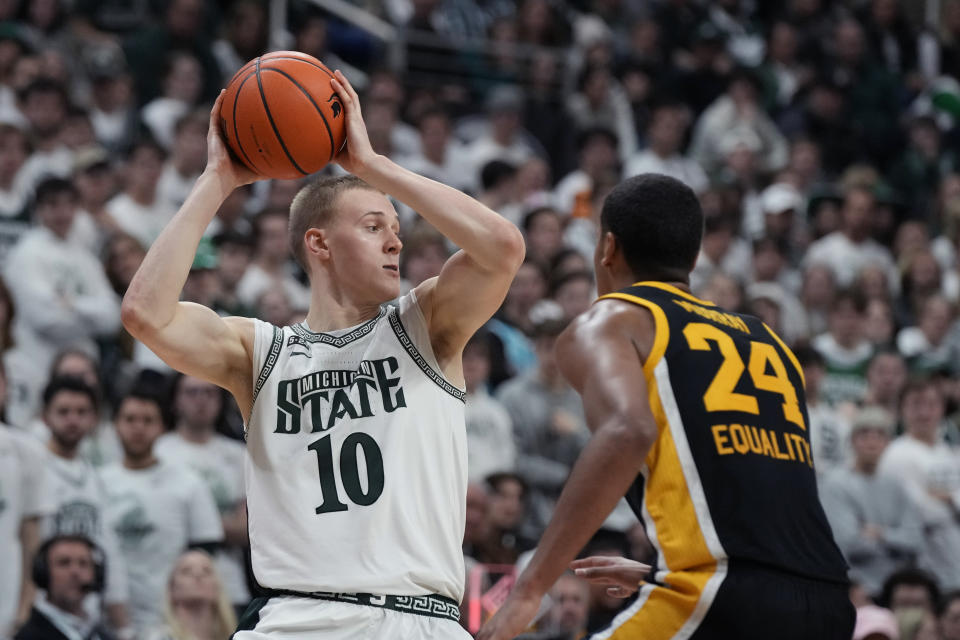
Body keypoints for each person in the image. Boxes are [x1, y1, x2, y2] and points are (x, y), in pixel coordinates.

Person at [121, 71, 524, 638]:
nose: (396, 242)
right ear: (319, 243)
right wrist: (217, 179)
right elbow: (145, 313)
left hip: (415, 618)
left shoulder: (425, 324)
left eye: (397, 228)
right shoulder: (260, 351)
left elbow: (502, 248)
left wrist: (371, 167)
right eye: (373, 226)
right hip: (295, 618)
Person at [479, 174, 853, 640]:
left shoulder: (613, 319)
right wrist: (659, 568)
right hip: (827, 602)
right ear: (693, 258)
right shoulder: (768, 340)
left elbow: (627, 431)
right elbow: (760, 483)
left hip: (718, 594)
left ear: (608, 248)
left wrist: (531, 587)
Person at [101, 387, 224, 634]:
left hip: (171, 618)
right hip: (107, 618)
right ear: (115, 425)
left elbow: (206, 552)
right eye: (130, 419)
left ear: (162, 427)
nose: (138, 428)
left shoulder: (188, 482)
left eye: (148, 420)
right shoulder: (98, 482)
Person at [819, 406, 923, 597]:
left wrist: (880, 534)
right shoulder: (836, 483)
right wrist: (896, 540)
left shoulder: (897, 485)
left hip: (895, 590)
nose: (872, 440)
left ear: (888, 443)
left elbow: (915, 541)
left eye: (880, 434)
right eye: (864, 434)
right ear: (852, 441)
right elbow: (849, 544)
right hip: (854, 589)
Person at [14, 535, 115, 640]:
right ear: (43, 573)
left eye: (83, 564)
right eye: (64, 563)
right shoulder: (29, 636)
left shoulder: (102, 634)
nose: (75, 572)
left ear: (97, 574)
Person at [144, 550, 237, 640]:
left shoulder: (238, 637)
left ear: (217, 587)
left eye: (206, 571)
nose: (198, 574)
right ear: (172, 588)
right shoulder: (159, 637)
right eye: (186, 571)